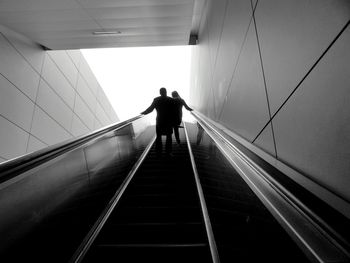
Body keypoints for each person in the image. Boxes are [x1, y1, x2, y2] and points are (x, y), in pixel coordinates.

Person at [141, 87, 175, 156]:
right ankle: (168, 152)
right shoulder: (170, 100)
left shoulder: (156, 99)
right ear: (166, 92)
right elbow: (174, 111)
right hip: (168, 121)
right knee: (169, 137)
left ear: (160, 92)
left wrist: (143, 113)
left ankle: (159, 152)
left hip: (160, 121)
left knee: (159, 136)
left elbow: (150, 109)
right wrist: (174, 121)